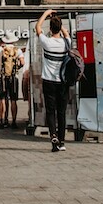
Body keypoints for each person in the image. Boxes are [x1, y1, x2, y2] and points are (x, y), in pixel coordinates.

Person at [36, 8, 72, 153]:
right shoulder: (66, 42)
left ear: (50, 29)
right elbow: (66, 33)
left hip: (49, 81)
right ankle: (62, 141)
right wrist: (58, 21)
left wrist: (46, 13)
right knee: (61, 111)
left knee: (50, 111)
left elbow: (37, 27)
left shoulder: (46, 42)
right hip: (62, 82)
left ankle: (53, 138)